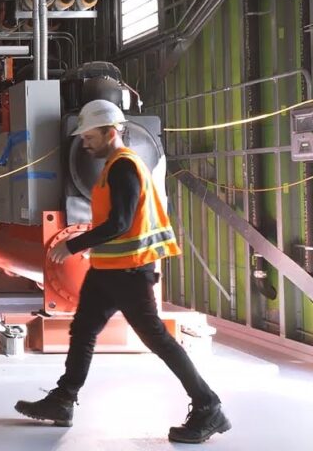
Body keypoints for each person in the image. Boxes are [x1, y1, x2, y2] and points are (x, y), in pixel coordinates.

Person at [14, 99, 230, 444]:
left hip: (129, 272)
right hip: (109, 270)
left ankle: (208, 406)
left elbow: (119, 222)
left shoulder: (125, 167)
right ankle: (63, 399)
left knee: (156, 338)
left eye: (89, 136)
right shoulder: (113, 165)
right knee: (83, 330)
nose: (84, 142)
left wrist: (71, 245)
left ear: (110, 131)